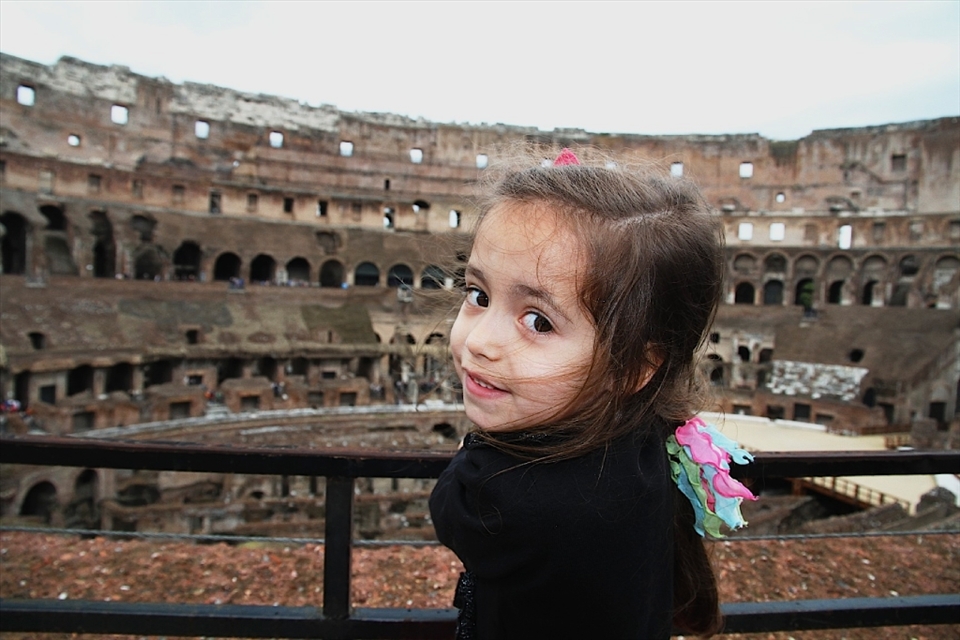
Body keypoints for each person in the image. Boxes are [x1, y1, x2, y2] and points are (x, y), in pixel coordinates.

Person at [429, 148, 756, 639]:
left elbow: (448, 513)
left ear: (632, 369)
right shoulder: (654, 435)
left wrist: (471, 453)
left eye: (537, 321)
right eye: (478, 295)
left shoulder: (497, 493)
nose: (477, 341)